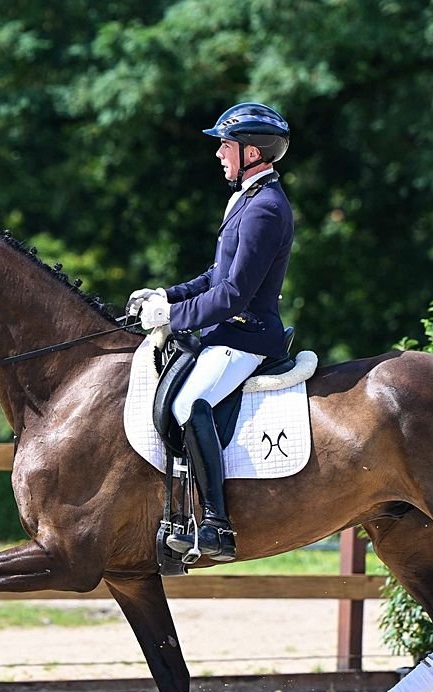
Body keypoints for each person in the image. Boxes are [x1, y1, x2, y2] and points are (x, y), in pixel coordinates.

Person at [128, 102, 294, 562]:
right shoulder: (246, 198)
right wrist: (167, 295)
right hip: (227, 331)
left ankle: (217, 525)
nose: (219, 152)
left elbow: (235, 295)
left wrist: (171, 317)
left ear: (253, 152)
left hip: (248, 335)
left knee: (187, 403)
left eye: (226, 144)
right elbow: (214, 276)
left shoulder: (265, 208)